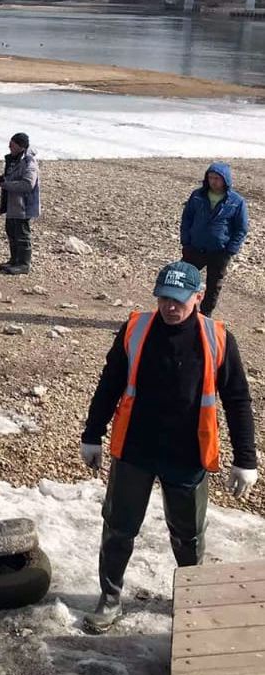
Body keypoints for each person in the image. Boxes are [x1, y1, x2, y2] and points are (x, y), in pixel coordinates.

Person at [79, 260, 257, 634]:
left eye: (178, 300)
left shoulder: (218, 338)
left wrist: (246, 459)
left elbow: (238, 399)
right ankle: (110, 598)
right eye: (163, 299)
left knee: (188, 534)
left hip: (187, 455)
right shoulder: (135, 329)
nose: (170, 308)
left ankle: (190, 599)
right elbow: (109, 382)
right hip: (135, 449)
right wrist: (91, 434)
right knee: (118, 527)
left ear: (199, 296)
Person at [180, 161, 249, 316]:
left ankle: (205, 316)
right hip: (195, 248)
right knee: (183, 279)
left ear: (225, 179)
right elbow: (187, 218)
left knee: (213, 286)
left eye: (217, 178)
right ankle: (183, 311)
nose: (213, 181)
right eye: (210, 177)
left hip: (219, 251)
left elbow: (241, 228)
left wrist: (230, 250)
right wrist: (186, 241)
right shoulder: (197, 195)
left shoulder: (237, 201)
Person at [0, 132, 40, 274]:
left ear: (20, 146)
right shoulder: (15, 160)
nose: (9, 147)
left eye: (12, 144)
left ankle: (24, 264)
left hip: (23, 206)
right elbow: (13, 177)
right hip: (13, 205)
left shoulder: (29, 162)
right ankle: (14, 260)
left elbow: (27, 185)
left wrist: (6, 184)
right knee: (11, 232)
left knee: (22, 235)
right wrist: (3, 179)